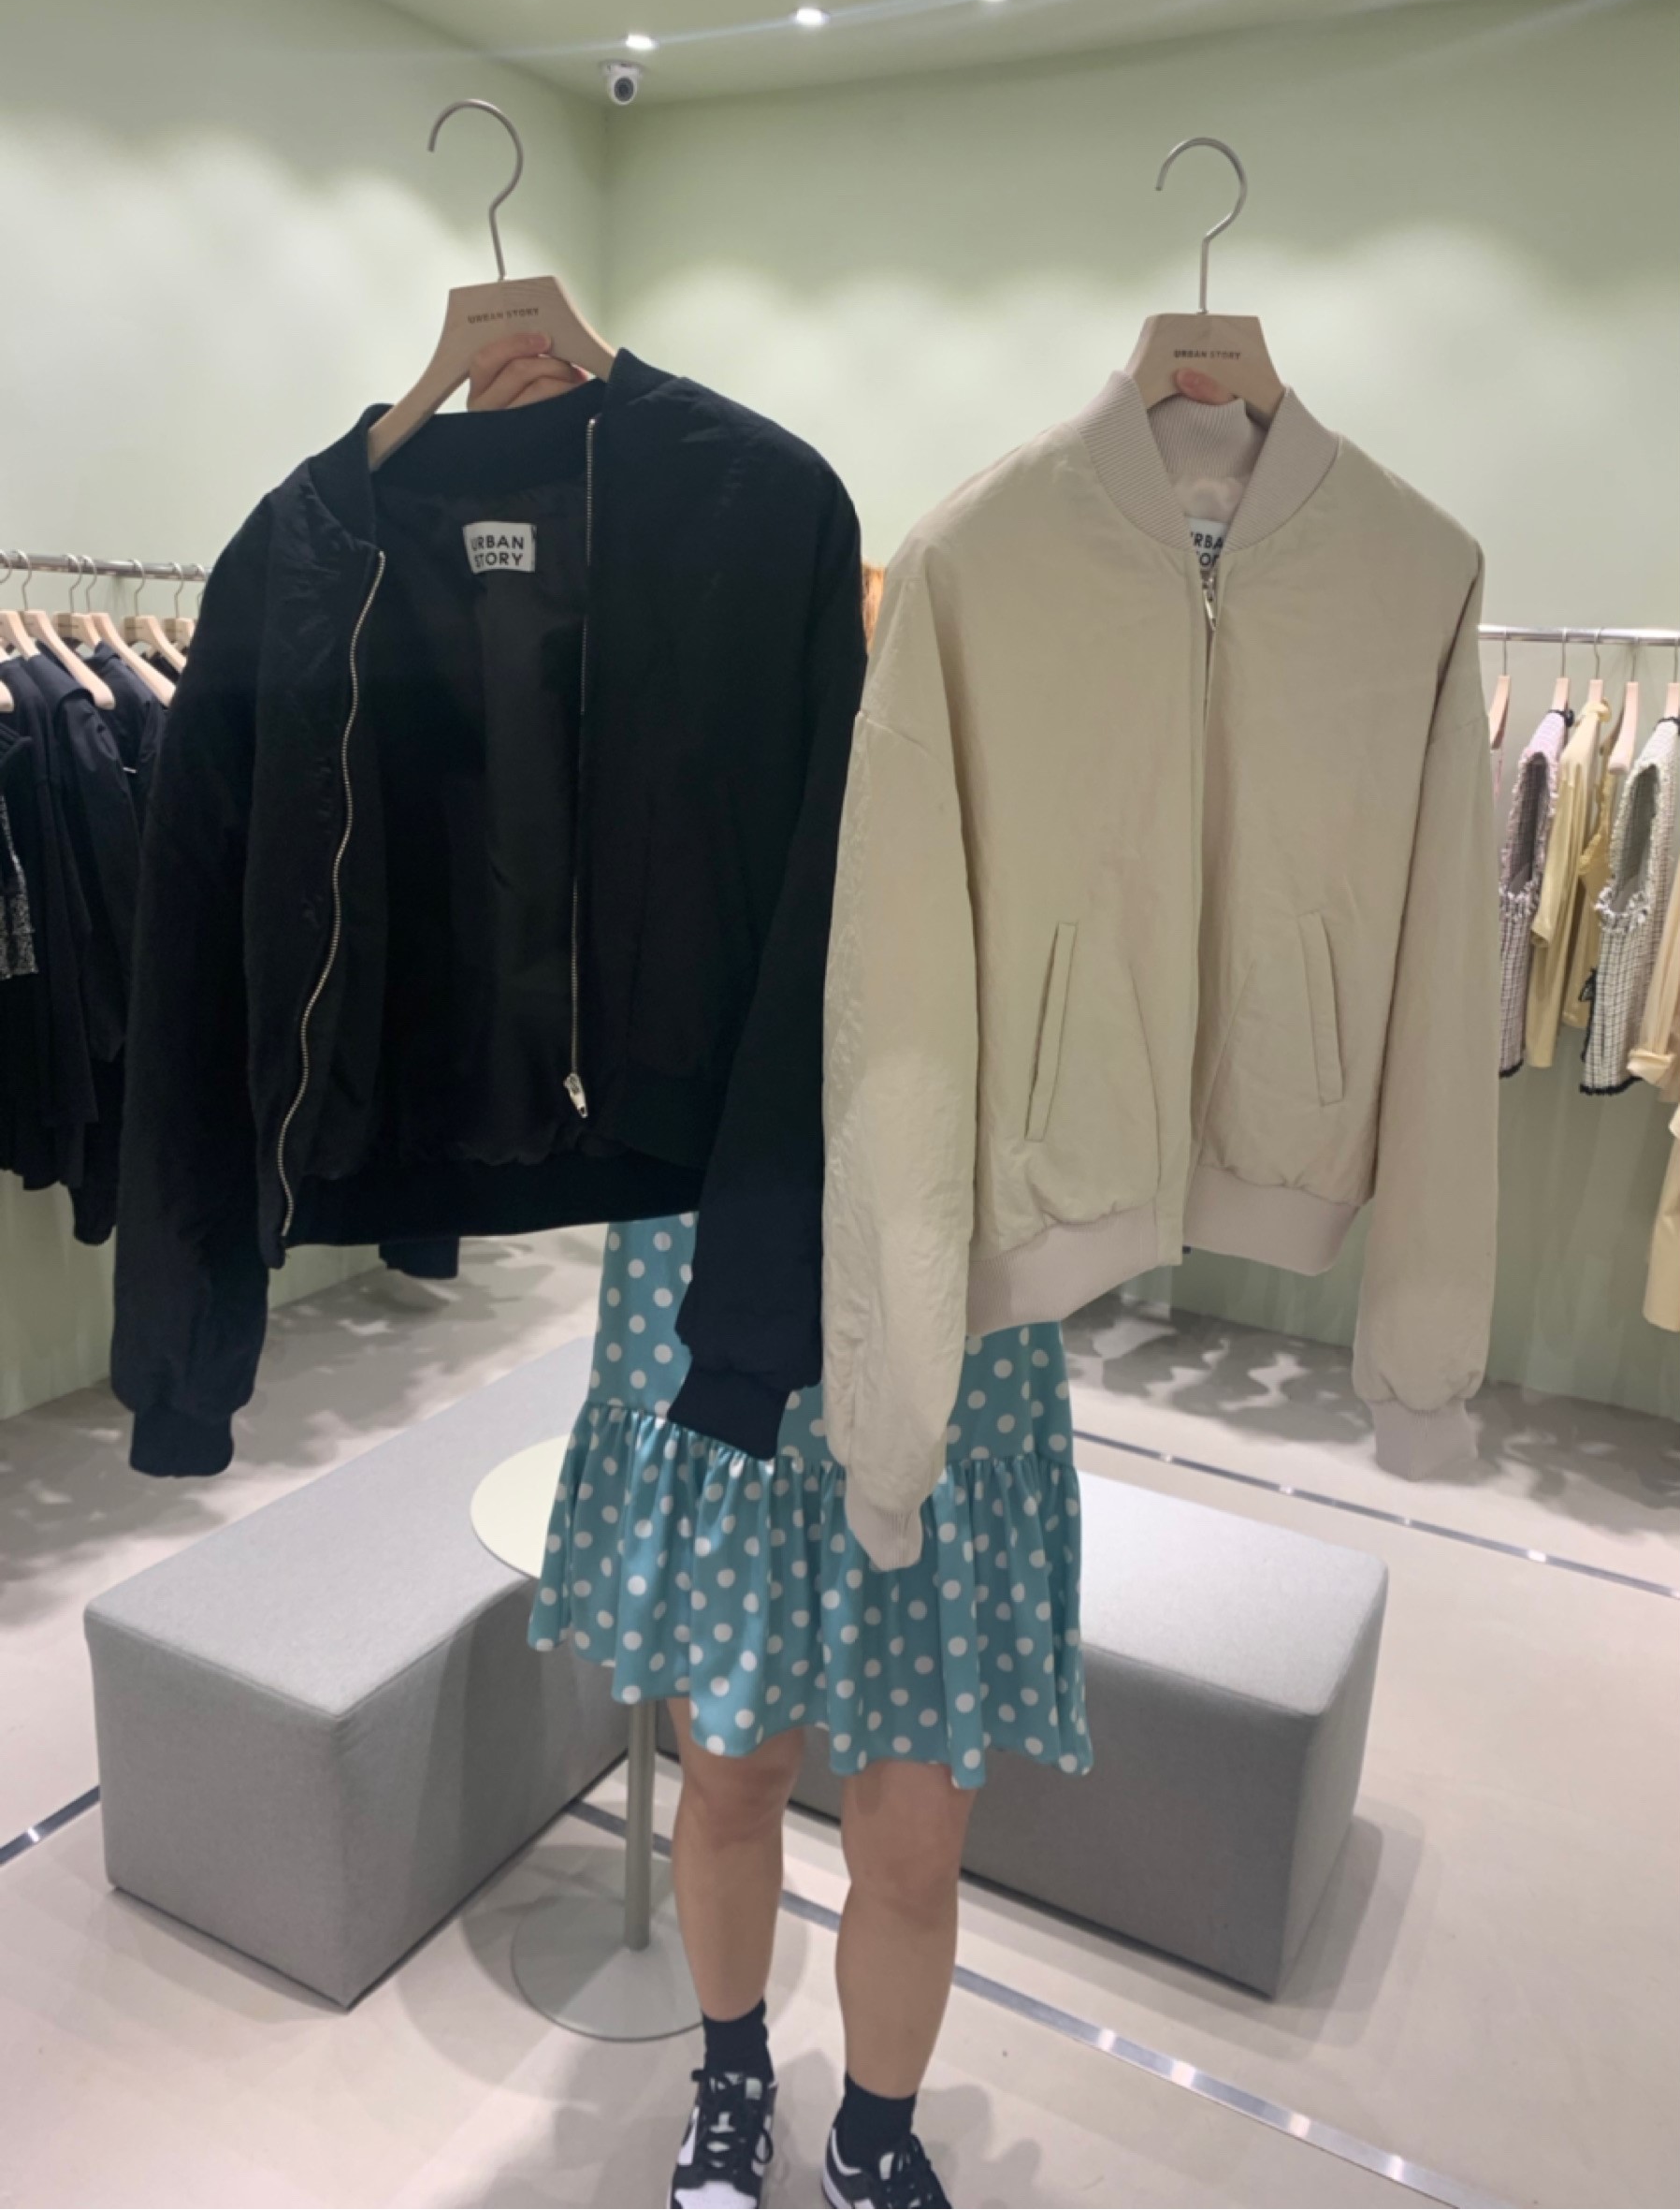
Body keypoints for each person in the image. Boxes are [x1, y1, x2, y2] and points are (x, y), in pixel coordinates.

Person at [469, 333, 1092, 2210]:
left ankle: (877, 2135)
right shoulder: (663, 720)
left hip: (949, 1307)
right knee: (727, 1769)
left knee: (915, 1827)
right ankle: (731, 2075)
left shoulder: (1002, 749)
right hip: (707, 1253)